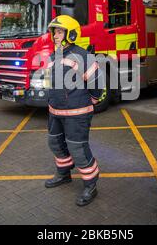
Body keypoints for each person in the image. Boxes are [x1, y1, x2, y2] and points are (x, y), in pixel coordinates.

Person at [44, 15, 104, 207]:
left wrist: (90, 102)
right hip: (56, 112)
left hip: (77, 114)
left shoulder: (83, 56)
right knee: (55, 144)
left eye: (59, 32)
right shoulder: (53, 56)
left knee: (78, 149)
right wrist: (51, 100)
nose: (55, 36)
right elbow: (49, 82)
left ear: (71, 34)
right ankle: (64, 174)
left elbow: (97, 84)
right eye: (54, 32)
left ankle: (90, 185)